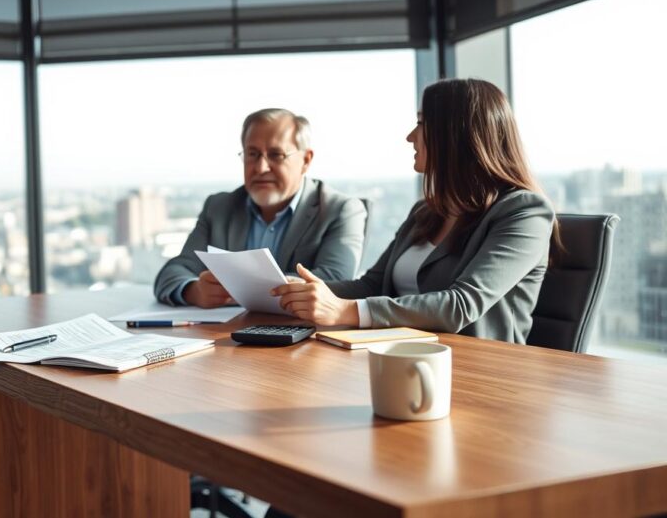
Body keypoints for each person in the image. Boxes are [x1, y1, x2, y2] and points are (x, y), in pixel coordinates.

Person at [271, 78, 557, 344]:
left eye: (421, 123)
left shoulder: (525, 212)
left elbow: (460, 305)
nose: (410, 136)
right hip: (401, 353)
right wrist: (297, 290)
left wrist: (346, 311)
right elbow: (372, 285)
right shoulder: (426, 211)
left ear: (456, 135)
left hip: (478, 369)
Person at [154, 108, 368, 307]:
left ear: (306, 160)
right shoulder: (219, 207)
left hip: (301, 338)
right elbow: (174, 271)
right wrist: (194, 290)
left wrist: (238, 288)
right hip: (226, 336)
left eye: (276, 155)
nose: (261, 167)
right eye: (253, 154)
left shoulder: (341, 210)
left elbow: (336, 283)